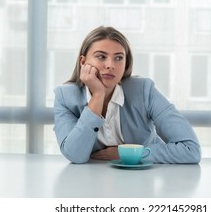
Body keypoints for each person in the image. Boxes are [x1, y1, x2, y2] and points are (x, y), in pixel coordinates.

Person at [53, 26, 201, 164]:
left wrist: (128, 154)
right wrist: (98, 95)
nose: (110, 65)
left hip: (144, 179)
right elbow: (75, 155)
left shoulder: (144, 90)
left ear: (126, 64)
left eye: (118, 58)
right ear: (83, 62)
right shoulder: (65, 97)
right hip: (91, 182)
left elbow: (190, 150)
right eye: (101, 56)